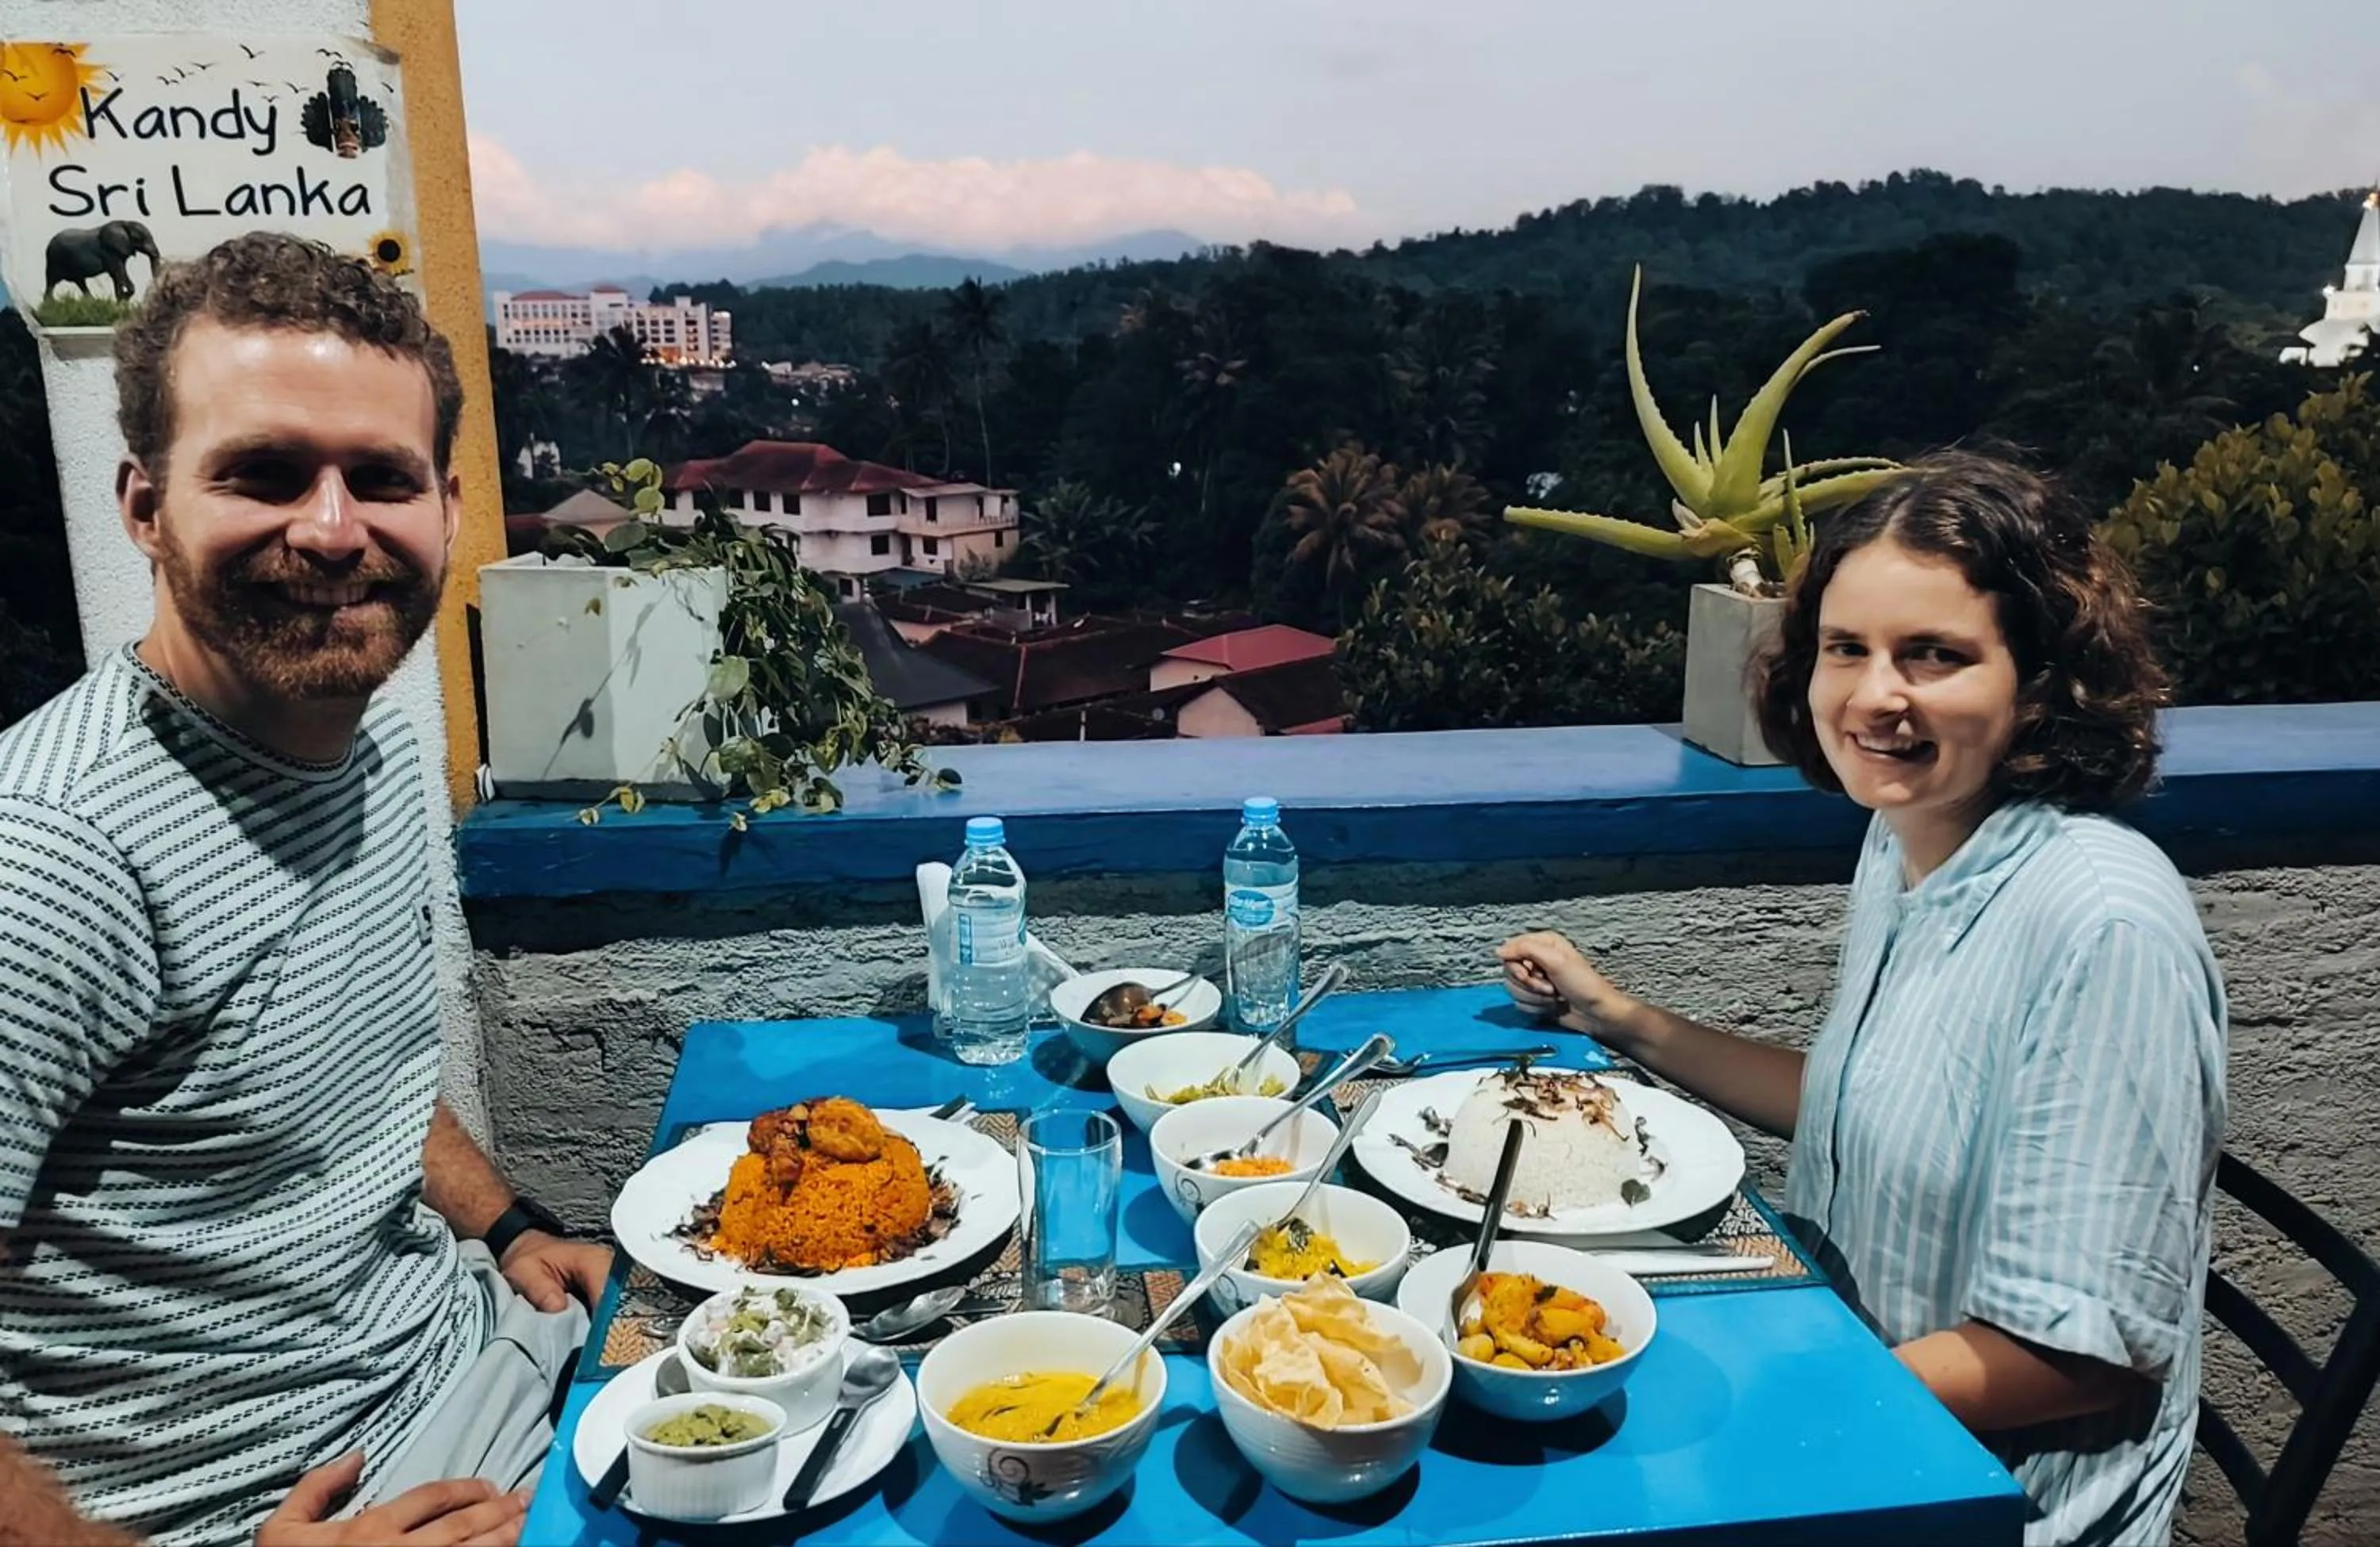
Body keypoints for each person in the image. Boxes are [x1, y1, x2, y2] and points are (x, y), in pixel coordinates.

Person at [0, 232, 612, 1547]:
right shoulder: (49, 854)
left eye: (379, 480)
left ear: (445, 507)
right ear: (145, 506)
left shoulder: (373, 738)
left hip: (478, 1357)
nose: (333, 531)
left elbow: (358, 1069)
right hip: (261, 1511)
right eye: (265, 474)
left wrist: (510, 1223)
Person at [1500, 451, 2225, 1547]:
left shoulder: (2103, 925)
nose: (1876, 694)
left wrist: (1772, 1412)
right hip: (1851, 1368)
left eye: (1934, 655)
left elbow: (2078, 1356)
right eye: (1848, 649)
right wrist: (1621, 1017)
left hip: (1968, 1491)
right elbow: (1862, 1101)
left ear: (2037, 679)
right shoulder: (1908, 841)